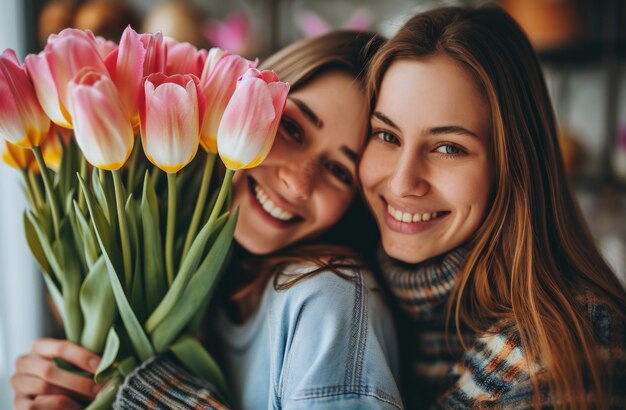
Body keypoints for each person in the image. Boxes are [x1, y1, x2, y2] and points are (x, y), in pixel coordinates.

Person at [10, 31, 403, 410]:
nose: (298, 183)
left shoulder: (325, 300)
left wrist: (153, 396)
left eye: (339, 170)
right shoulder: (188, 274)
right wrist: (65, 387)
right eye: (291, 128)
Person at [359, 5, 626, 409]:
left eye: (449, 147)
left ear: (513, 164)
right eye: (386, 135)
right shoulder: (353, 292)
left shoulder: (562, 348)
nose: (401, 182)